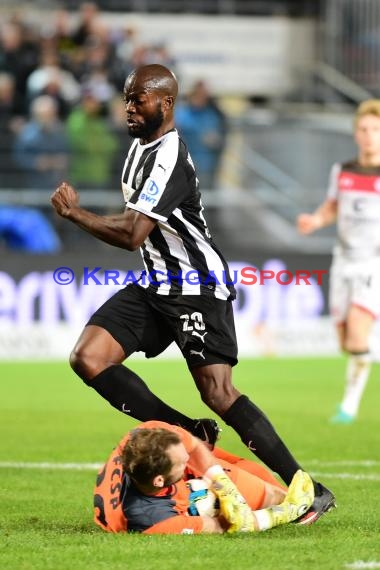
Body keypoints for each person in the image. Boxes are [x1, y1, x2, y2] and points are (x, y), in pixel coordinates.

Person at [51, 63, 335, 524]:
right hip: (155, 283)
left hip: (196, 285)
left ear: (164, 103)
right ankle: (186, 431)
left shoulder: (169, 155)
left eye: (137, 99)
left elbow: (133, 234)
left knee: (218, 392)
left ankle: (308, 488)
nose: (128, 107)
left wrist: (76, 215)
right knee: (89, 357)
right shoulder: (137, 150)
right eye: (126, 98)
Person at [297, 99, 380, 424]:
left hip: (373, 264)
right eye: (363, 129)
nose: (369, 135)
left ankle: (349, 406)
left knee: (359, 336)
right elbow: (332, 206)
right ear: (355, 134)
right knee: (346, 342)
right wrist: (315, 221)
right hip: (343, 261)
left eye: (375, 129)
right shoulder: (343, 170)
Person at [93, 420, 314, 535]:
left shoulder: (146, 434)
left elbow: (193, 447)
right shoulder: (154, 520)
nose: (187, 456)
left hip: (173, 481)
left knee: (243, 471)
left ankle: (238, 478)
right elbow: (226, 526)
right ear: (160, 481)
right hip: (176, 495)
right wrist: (285, 513)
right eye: (181, 461)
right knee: (276, 498)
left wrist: (222, 484)